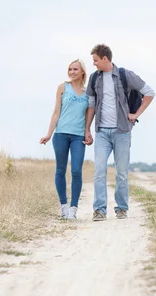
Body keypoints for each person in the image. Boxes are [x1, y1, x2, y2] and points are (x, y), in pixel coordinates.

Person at [84, 44, 155, 221]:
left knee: (121, 172)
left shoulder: (125, 75)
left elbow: (149, 92)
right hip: (101, 132)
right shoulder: (94, 79)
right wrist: (87, 129)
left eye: (95, 60)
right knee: (99, 171)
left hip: (122, 131)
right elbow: (91, 105)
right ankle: (99, 210)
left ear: (105, 59)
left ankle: (121, 208)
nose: (93, 64)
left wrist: (136, 114)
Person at [40, 59, 93, 220]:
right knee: (60, 170)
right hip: (61, 134)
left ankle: (73, 208)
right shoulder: (63, 87)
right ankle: (63, 206)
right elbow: (56, 112)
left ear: (82, 71)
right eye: (70, 69)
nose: (72, 72)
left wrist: (87, 132)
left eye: (75, 69)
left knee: (76, 171)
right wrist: (49, 134)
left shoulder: (88, 92)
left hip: (78, 136)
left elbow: (89, 115)